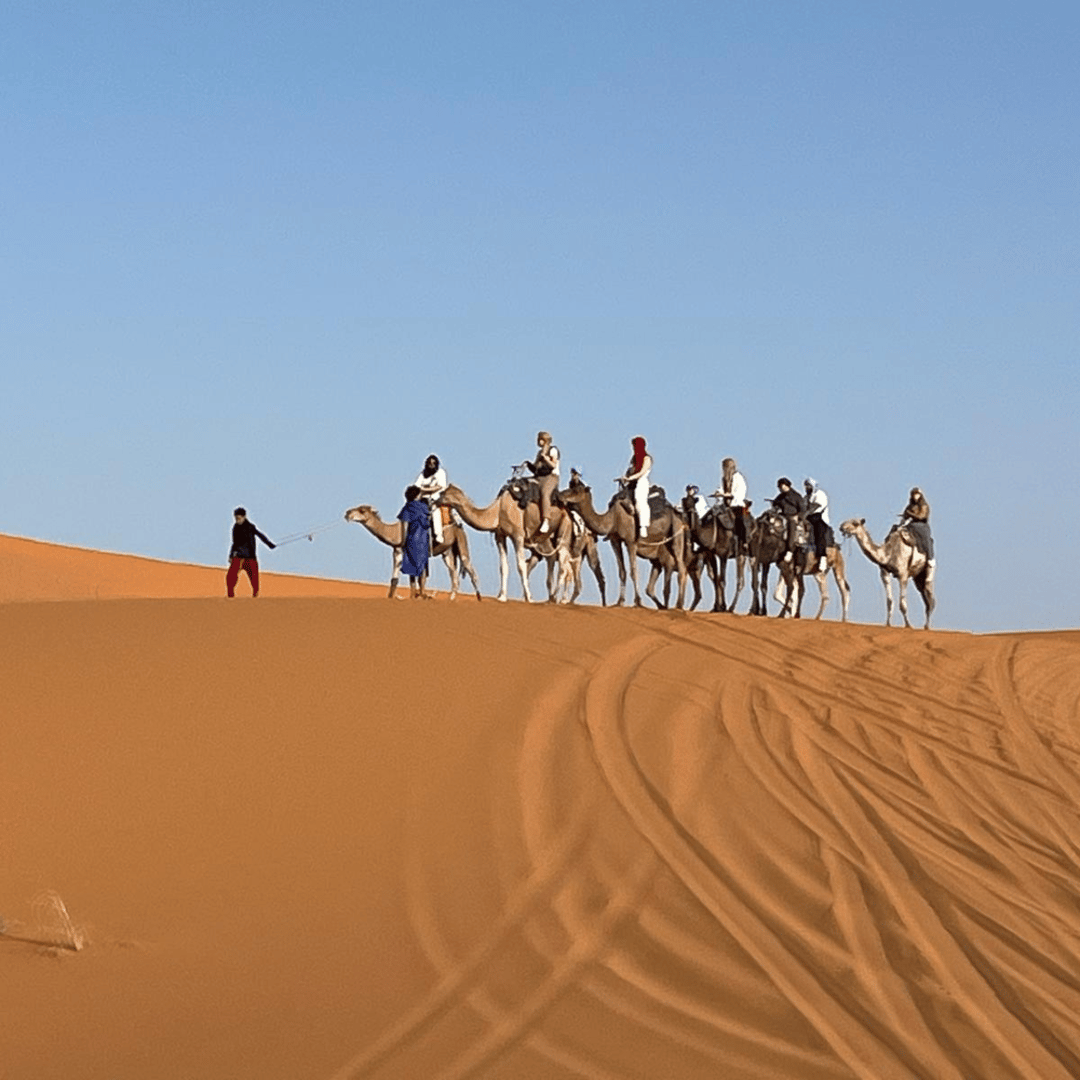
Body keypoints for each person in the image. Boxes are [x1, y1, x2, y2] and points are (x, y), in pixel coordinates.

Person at [226, 507, 275, 598]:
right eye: (236, 518)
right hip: (238, 557)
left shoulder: (250, 527)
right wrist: (230, 555)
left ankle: (255, 599)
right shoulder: (235, 528)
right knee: (230, 577)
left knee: (254, 581)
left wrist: (269, 544)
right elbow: (234, 543)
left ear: (244, 517)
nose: (237, 520)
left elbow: (260, 535)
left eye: (239, 518)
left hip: (250, 558)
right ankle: (230, 598)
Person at [520, 431, 561, 534]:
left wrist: (545, 458)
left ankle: (546, 520)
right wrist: (528, 464)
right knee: (524, 485)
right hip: (539, 476)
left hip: (551, 476)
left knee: (545, 493)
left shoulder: (553, 450)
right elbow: (536, 468)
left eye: (540, 439)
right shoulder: (539, 453)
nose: (538, 441)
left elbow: (553, 465)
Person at [398, 485, 432, 599]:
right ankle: (422, 591)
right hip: (423, 540)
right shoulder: (424, 508)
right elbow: (428, 524)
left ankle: (413, 592)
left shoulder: (407, 508)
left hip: (411, 540)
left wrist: (403, 542)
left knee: (411, 566)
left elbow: (404, 526)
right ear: (417, 495)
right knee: (422, 567)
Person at [617, 435, 653, 539]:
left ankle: (643, 526)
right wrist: (625, 477)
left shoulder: (647, 459)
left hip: (641, 482)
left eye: (635, 446)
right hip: (631, 483)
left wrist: (630, 478)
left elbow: (641, 472)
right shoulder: (634, 460)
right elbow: (630, 471)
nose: (633, 448)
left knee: (639, 500)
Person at [716, 456, 750, 553]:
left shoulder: (738, 477)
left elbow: (740, 491)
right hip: (725, 504)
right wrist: (719, 493)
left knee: (739, 519)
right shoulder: (724, 479)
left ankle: (744, 541)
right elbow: (721, 488)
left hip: (736, 504)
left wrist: (729, 495)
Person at [414, 454, 448, 545]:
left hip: (437, 498)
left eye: (433, 463)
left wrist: (424, 489)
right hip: (423, 498)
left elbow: (440, 486)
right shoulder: (423, 474)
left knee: (434, 511)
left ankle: (438, 535)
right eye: (429, 463)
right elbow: (416, 486)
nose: (431, 465)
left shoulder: (440, 473)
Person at [771, 477, 805, 562]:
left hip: (793, 517)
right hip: (782, 516)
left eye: (783, 486)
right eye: (780, 487)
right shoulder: (780, 497)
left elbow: (802, 510)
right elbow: (775, 505)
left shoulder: (796, 496)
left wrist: (798, 517)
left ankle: (790, 550)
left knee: (791, 526)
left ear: (787, 486)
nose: (781, 488)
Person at [901, 486, 935, 565]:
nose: (915, 496)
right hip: (910, 524)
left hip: (921, 525)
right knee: (895, 531)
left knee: (926, 538)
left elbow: (921, 516)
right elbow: (905, 514)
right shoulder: (910, 506)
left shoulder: (924, 506)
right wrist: (905, 516)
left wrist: (910, 514)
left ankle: (930, 558)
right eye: (913, 495)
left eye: (917, 494)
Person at [803, 477, 831, 572]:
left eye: (808, 485)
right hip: (808, 517)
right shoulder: (806, 497)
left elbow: (818, 506)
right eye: (806, 486)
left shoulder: (820, 494)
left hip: (819, 518)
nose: (807, 488)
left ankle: (823, 557)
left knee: (819, 532)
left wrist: (807, 513)